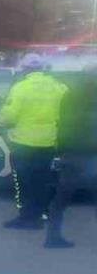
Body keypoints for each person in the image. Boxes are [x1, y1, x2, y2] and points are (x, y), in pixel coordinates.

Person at [0, 56, 68, 229]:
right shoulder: (59, 88)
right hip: (48, 142)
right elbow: (67, 112)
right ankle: (40, 215)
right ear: (42, 68)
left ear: (25, 69)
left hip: (23, 143)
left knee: (24, 182)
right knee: (42, 181)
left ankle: (27, 218)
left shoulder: (21, 88)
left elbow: (9, 115)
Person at [44, 62, 97, 248]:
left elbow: (62, 121)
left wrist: (61, 147)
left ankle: (52, 238)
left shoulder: (70, 94)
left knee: (61, 198)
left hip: (72, 152)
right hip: (92, 153)